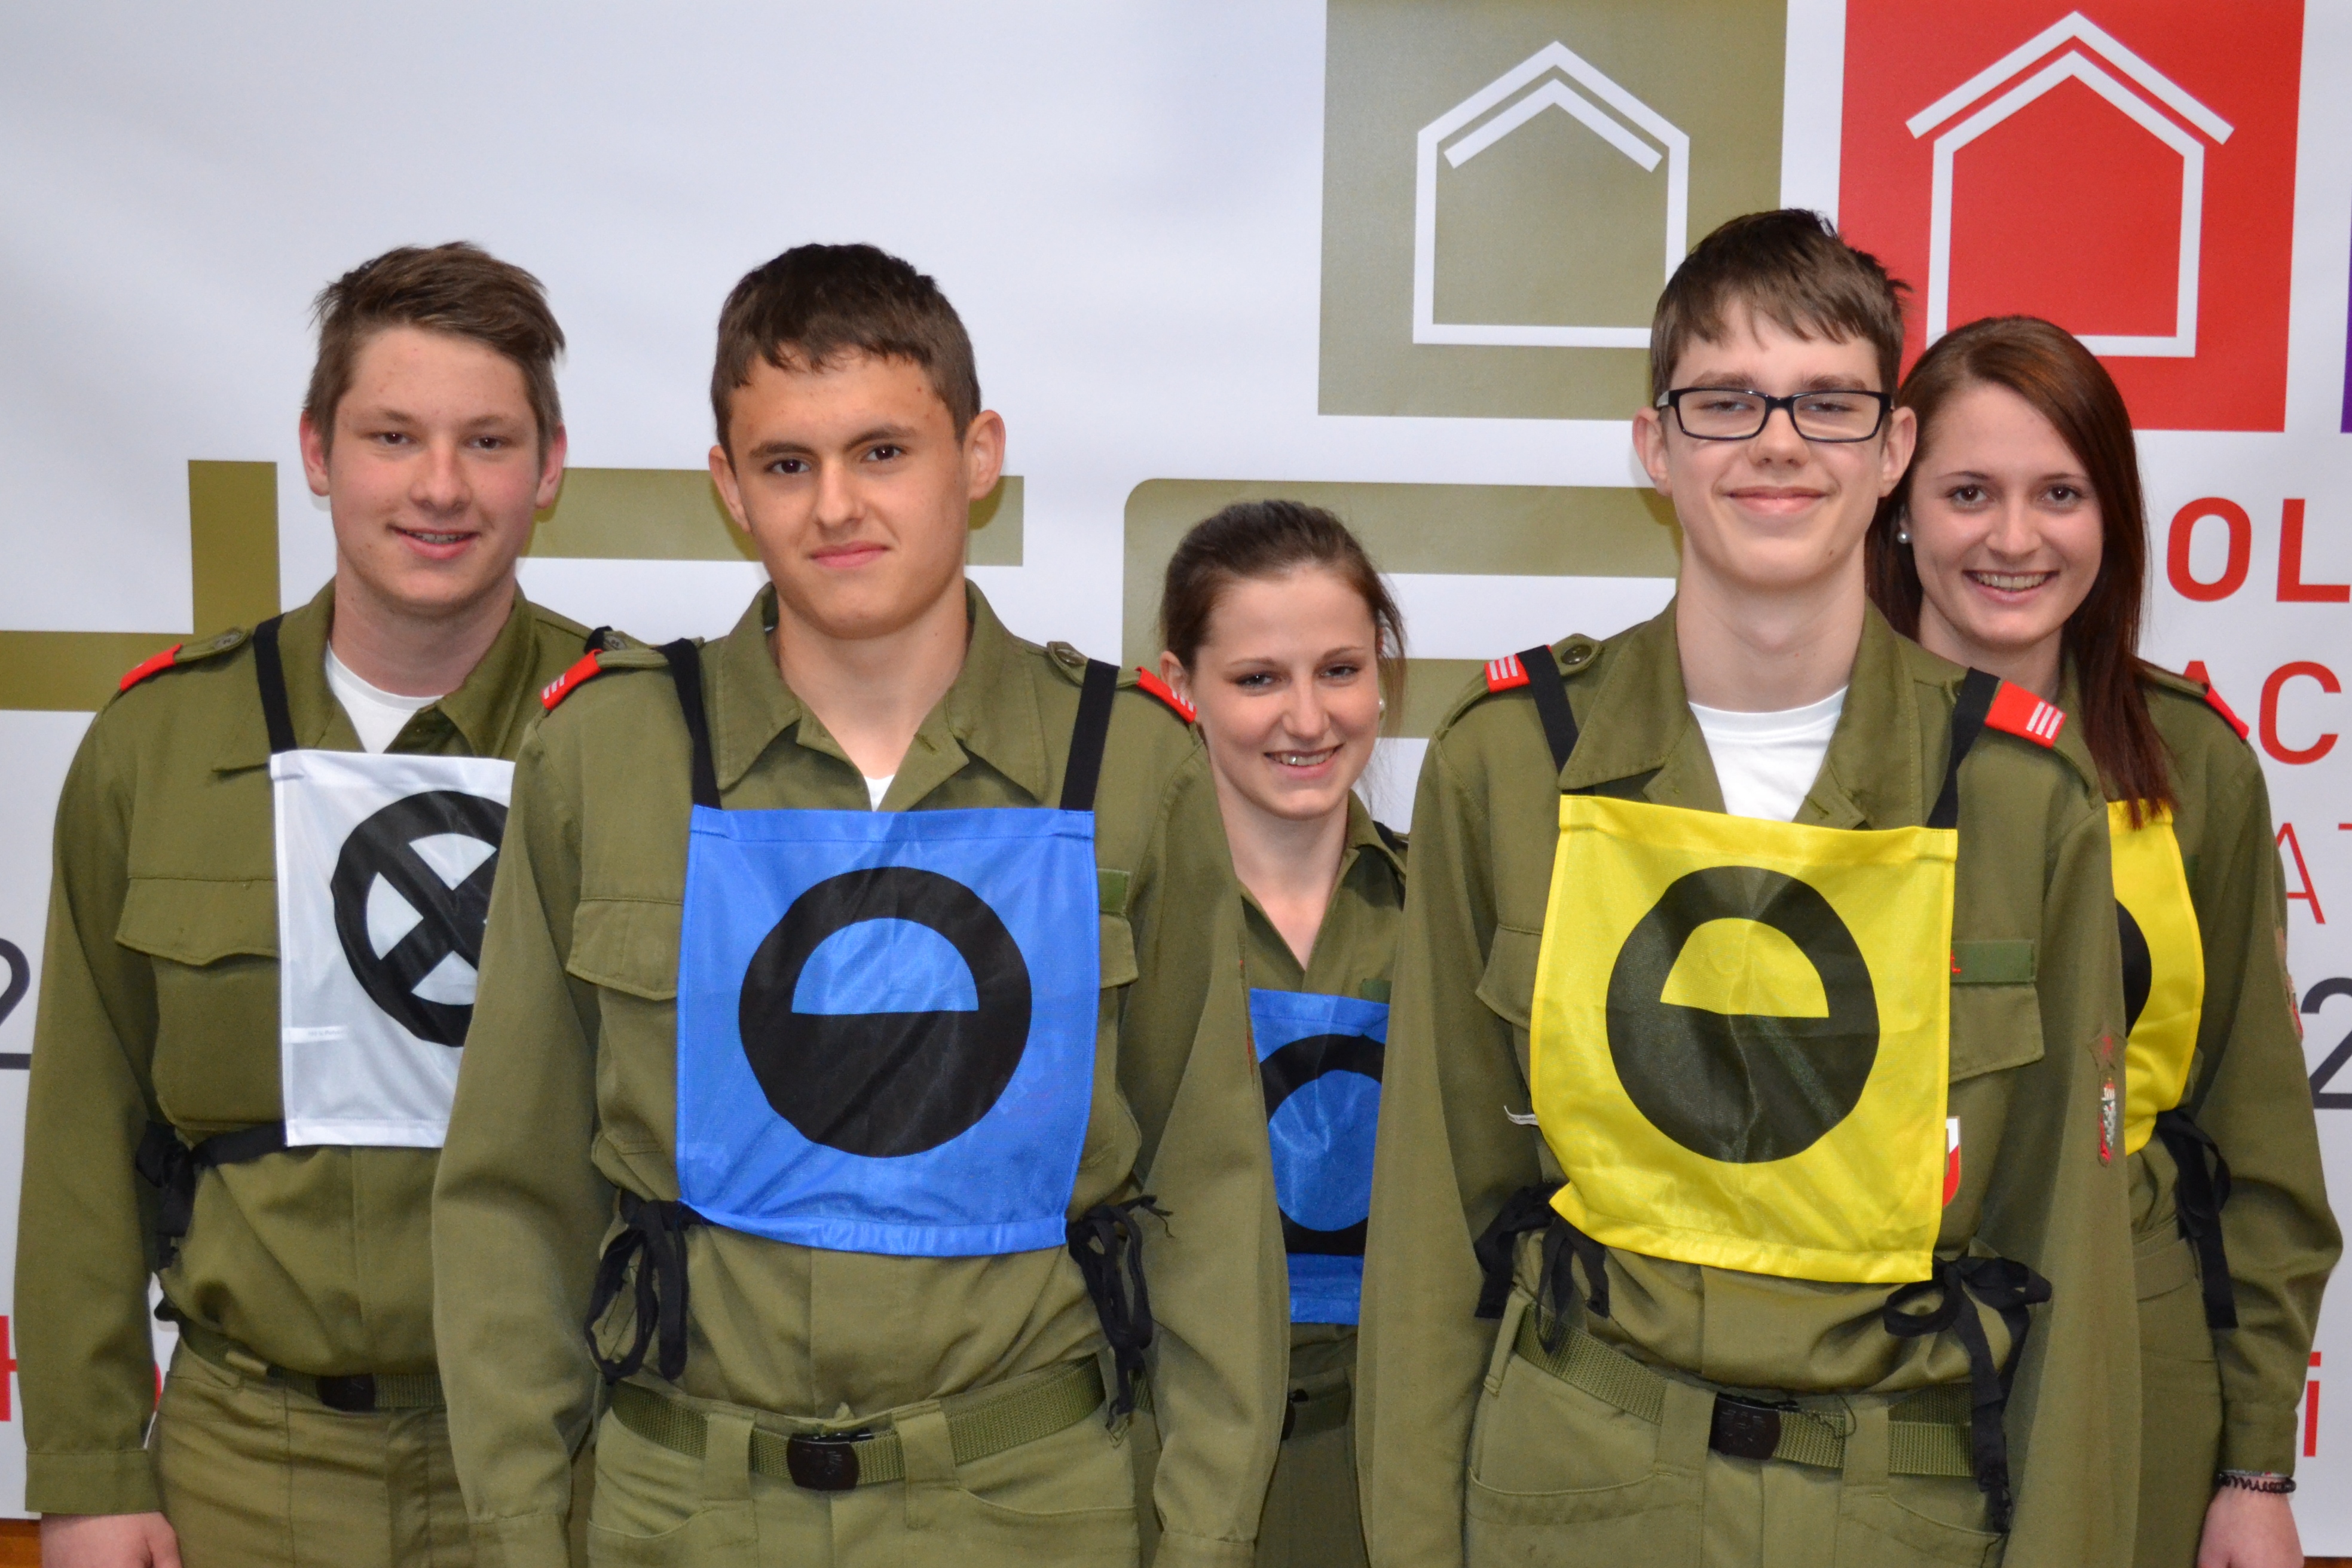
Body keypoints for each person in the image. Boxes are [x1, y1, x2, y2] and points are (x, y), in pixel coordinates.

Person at [430, 243, 1284, 1567]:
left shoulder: (1127, 763)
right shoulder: (608, 755)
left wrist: (1208, 1537)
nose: (836, 506)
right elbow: (515, 1191)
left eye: (883, 451)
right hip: (684, 1513)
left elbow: (1211, 1193)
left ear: (978, 456)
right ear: (729, 486)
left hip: (1030, 1509)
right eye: (787, 463)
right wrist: (520, 1531)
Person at [1356, 210, 2139, 1568]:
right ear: (1655, 446)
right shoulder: (1513, 769)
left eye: (1829, 402)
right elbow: (1436, 1221)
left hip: (1897, 1511)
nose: (1778, 443)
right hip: (1573, 1495)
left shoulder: (2021, 799)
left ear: (1893, 451)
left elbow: (2072, 1253)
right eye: (1726, 401)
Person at [19, 242, 604, 1568]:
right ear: (317, 451)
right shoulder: (160, 746)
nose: (440, 486)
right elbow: (82, 1139)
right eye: (393, 436)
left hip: (567, 1460)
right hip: (243, 1464)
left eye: (487, 441)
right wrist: (89, 1472)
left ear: (549, 467)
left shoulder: (640, 741)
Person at [1864, 315, 2338, 1568]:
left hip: (2135, 1349)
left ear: (2113, 519)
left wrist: (2255, 1466)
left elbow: (2259, 1141)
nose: (2015, 538)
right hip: (1855, 1352)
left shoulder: (2193, 766)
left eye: (2060, 493)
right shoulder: (1793, 754)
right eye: (1969, 492)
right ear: (1899, 509)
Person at [1139, 500, 1408, 1567]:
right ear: (1180, 686)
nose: (1307, 718)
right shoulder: (1120, 933)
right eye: (1258, 679)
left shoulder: (1446, 915)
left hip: (1383, 1480)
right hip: (1156, 1465)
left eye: (1339, 670)